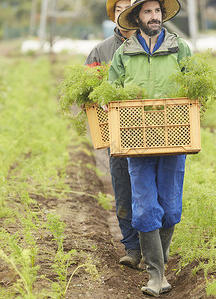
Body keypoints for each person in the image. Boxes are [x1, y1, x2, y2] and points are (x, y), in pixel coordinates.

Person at [108, 0, 192, 296]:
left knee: (169, 206)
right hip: (137, 141)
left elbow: (194, 87)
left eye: (157, 11)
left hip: (174, 139)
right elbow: (111, 93)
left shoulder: (180, 48)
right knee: (144, 208)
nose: (154, 16)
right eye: (147, 12)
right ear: (138, 18)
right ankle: (156, 275)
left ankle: (162, 262)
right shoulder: (124, 54)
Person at [84, 0, 143, 270]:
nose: (124, 13)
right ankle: (132, 248)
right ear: (113, 16)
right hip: (116, 133)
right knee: (123, 186)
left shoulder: (151, 45)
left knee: (149, 188)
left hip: (148, 130)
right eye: (119, 9)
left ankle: (153, 246)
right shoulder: (101, 51)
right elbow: (86, 91)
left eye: (130, 7)